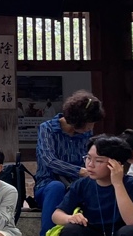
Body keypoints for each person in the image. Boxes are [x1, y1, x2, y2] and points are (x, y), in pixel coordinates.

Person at [34, 90, 103, 225]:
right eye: (89, 123)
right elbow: (49, 160)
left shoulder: (86, 134)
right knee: (56, 187)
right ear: (78, 120)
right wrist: (80, 171)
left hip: (77, 185)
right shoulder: (47, 129)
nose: (91, 128)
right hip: (49, 185)